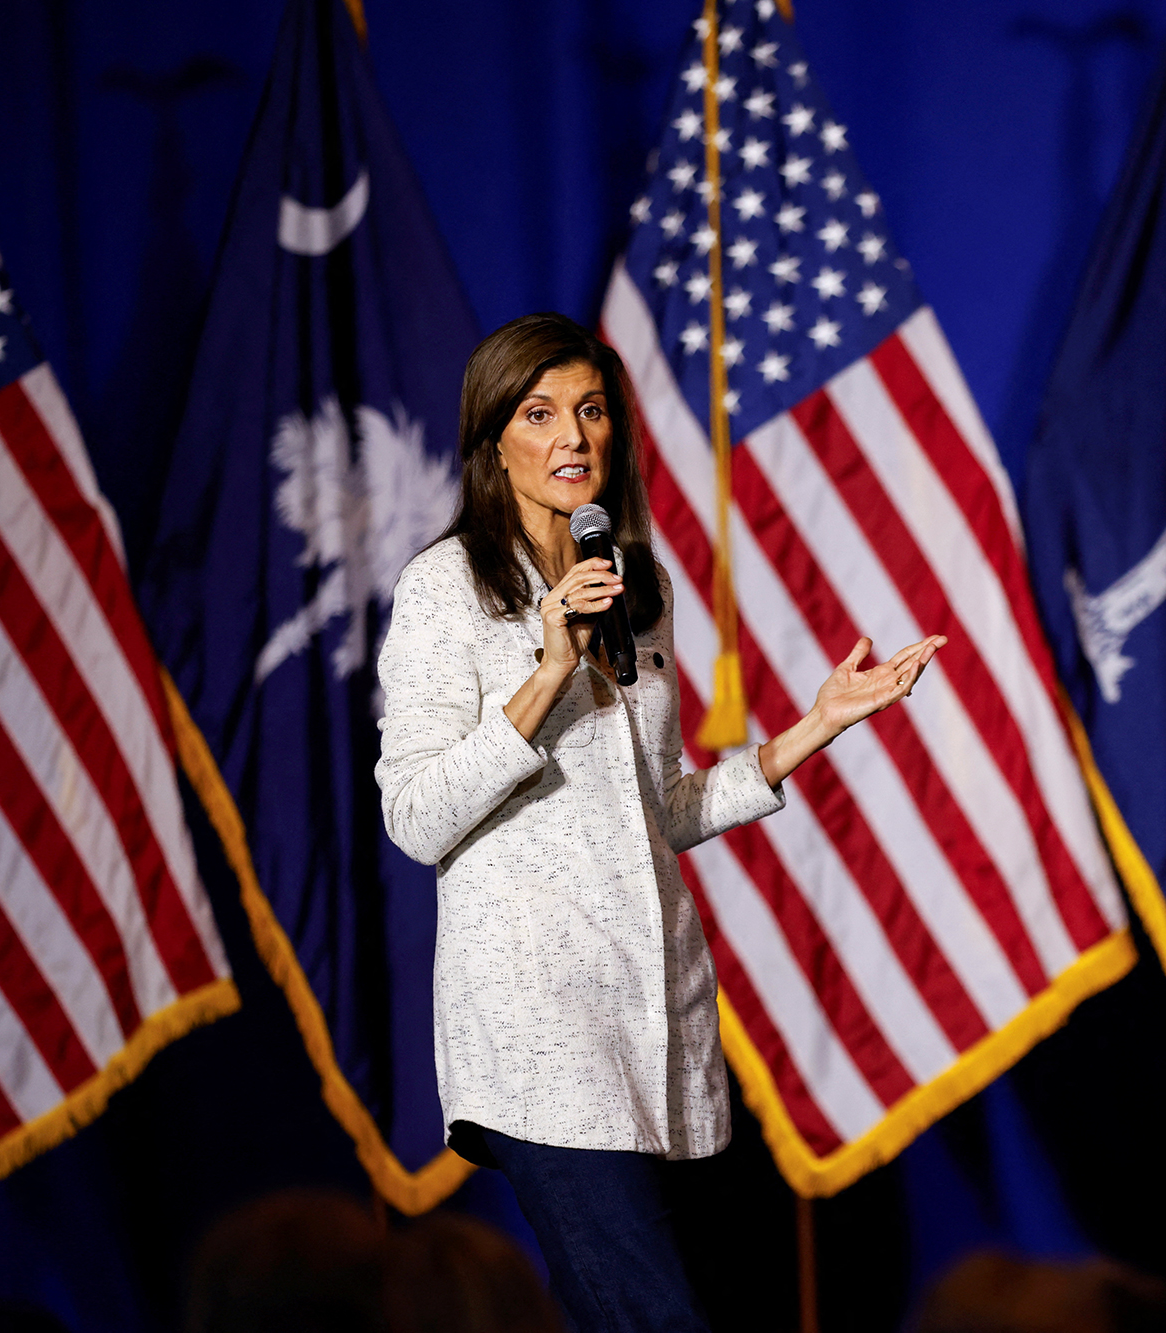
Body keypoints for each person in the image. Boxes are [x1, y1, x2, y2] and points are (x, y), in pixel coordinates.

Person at [374, 311, 943, 1333]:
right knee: (652, 1319)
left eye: (590, 410)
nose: (572, 438)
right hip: (538, 1023)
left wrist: (812, 727)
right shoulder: (445, 588)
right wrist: (550, 669)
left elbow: (659, 809)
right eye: (540, 412)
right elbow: (415, 817)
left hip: (658, 1014)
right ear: (492, 435)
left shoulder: (642, 591)